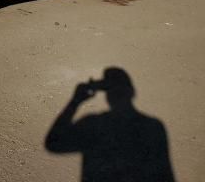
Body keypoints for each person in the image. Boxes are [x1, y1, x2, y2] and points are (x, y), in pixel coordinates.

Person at [45, 67, 174, 182]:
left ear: (107, 96)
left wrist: (75, 101)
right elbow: (165, 175)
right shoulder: (151, 127)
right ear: (132, 92)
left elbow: (54, 143)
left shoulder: (94, 124)